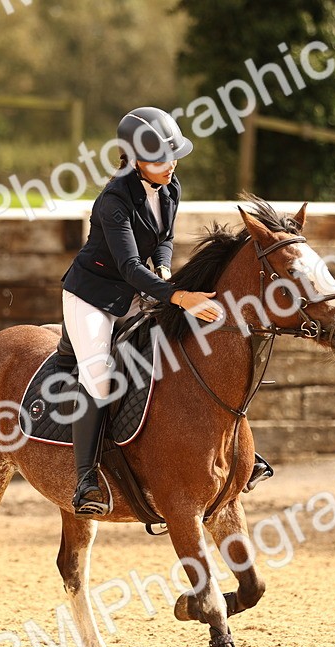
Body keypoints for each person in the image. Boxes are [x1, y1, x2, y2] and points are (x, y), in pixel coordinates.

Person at [59, 107, 271, 517]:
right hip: (93, 296)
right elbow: (127, 266)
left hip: (140, 287)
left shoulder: (170, 187)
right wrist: (178, 296)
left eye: (173, 156)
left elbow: (164, 239)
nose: (170, 165)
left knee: (185, 345)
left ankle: (233, 449)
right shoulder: (113, 200)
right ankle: (86, 479)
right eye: (160, 159)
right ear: (135, 159)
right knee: (98, 374)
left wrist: (165, 269)